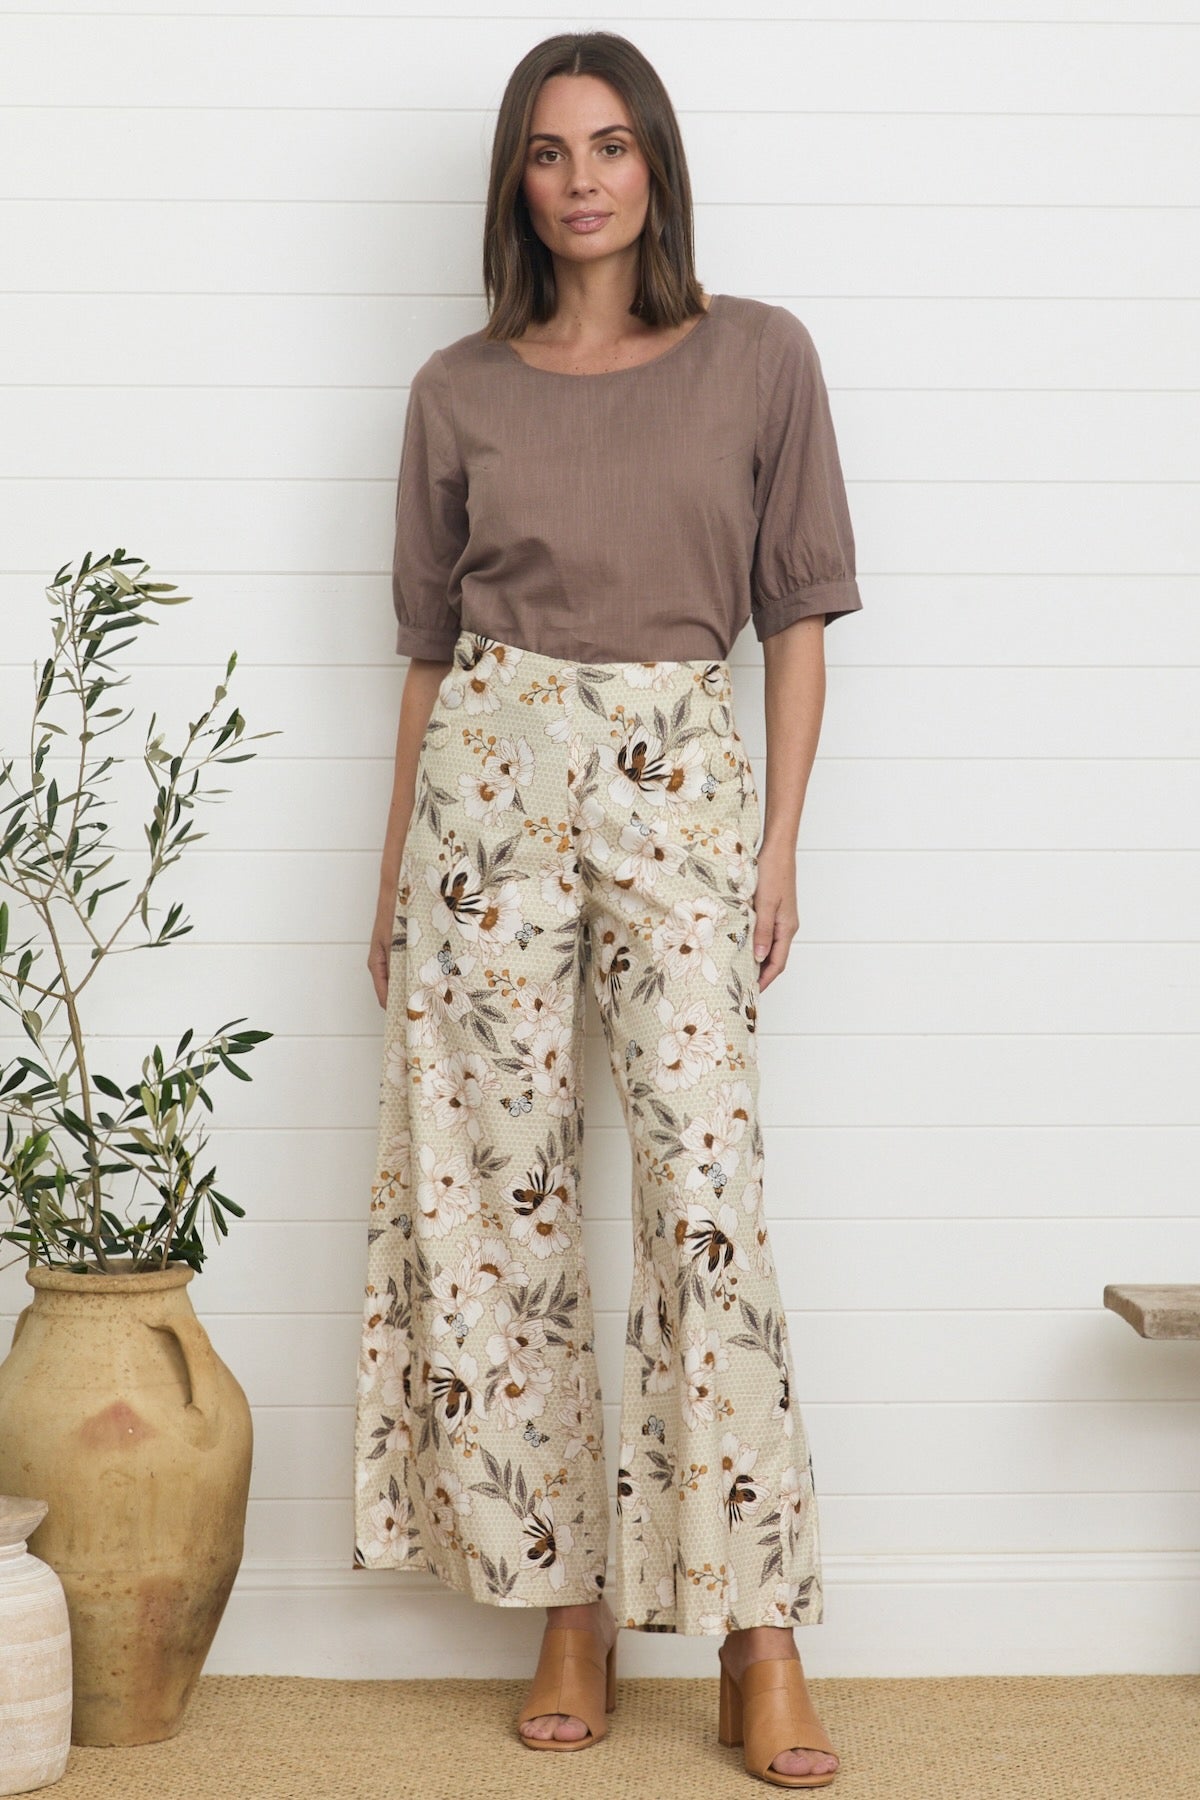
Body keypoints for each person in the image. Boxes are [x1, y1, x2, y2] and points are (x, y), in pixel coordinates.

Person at [354, 29, 861, 1791]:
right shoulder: (457, 389)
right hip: (484, 788)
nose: (583, 180)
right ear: (518, 180)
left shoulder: (759, 356)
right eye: (551, 151)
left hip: (678, 783)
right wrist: (393, 873)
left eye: (613, 144)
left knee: (706, 1196)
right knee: (500, 1195)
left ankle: (756, 1633)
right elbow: (430, 655)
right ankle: (564, 1603)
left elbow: (798, 619)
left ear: (658, 164)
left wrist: (777, 845)